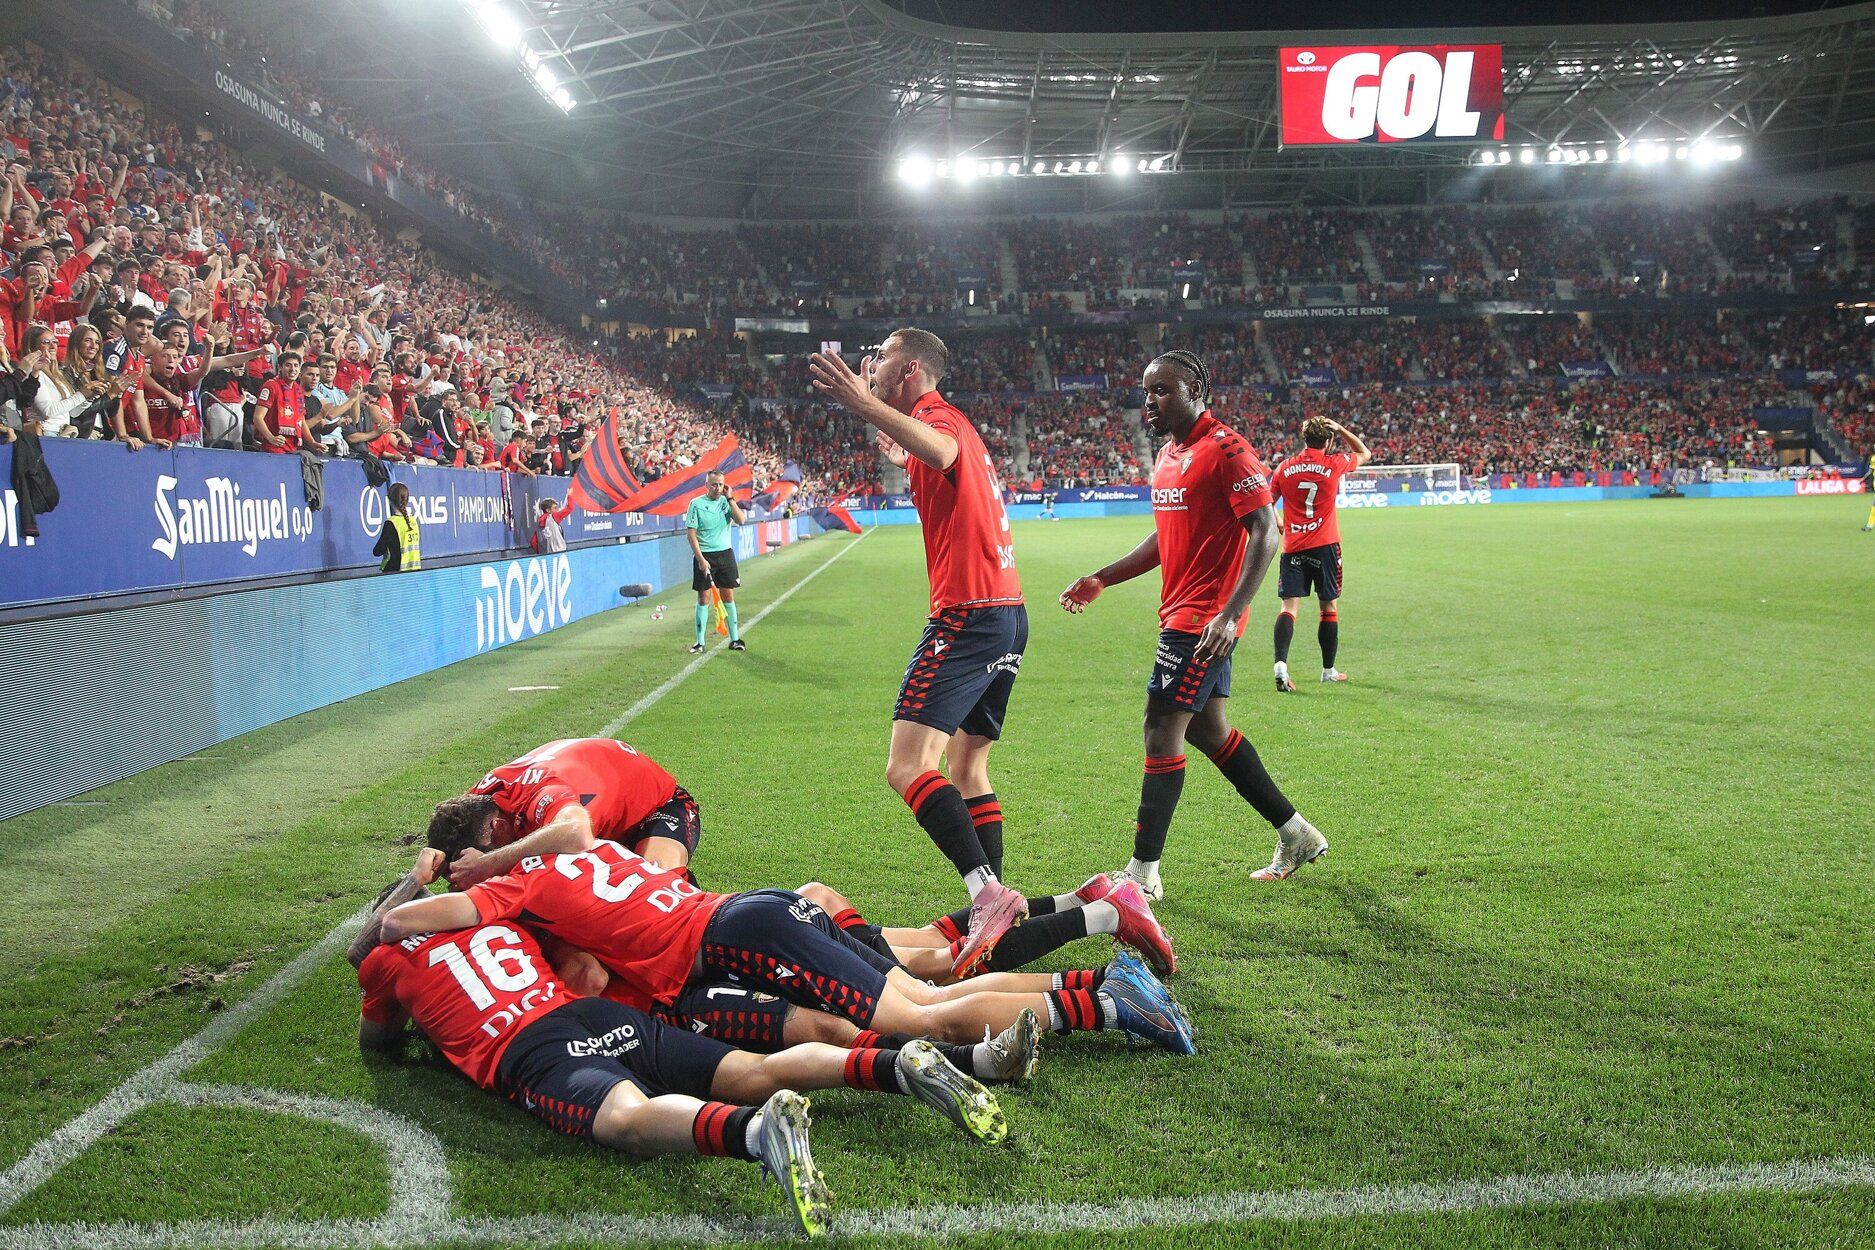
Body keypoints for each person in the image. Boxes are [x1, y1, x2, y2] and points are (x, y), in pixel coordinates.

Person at [350, 874, 1006, 1238]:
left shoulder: (382, 959)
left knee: (627, 1121)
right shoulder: (500, 922)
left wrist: (421, 1018)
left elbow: (377, 1045)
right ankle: (900, 1063)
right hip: (599, 1014)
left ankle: (754, 1133)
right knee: (752, 1069)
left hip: (532, 1047)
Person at [394, 835, 1195, 1056]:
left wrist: (411, 892)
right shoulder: (584, 850)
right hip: (755, 912)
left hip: (743, 934)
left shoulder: (516, 887)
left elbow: (406, 926)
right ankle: (1105, 975)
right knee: (930, 985)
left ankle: (1109, 1001)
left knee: (925, 1007)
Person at [807, 331, 1037, 978]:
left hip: (966, 616)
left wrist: (864, 404)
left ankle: (985, 894)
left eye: (878, 356)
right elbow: (929, 456)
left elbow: (939, 449)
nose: (868, 363)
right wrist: (882, 422)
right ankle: (987, 917)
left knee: (906, 766)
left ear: (909, 367)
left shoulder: (940, 421)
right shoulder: (936, 422)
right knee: (969, 769)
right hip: (1007, 615)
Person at [1059, 350, 1330, 895]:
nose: (1150, 401)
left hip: (1202, 620)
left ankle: (1142, 876)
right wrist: (1103, 578)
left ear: (1196, 390)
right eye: (1146, 391)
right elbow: (1166, 537)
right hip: (1184, 615)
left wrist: (1230, 614)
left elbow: (1266, 530)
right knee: (1209, 730)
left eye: (1162, 390)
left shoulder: (1227, 449)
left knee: (1161, 729)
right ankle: (1296, 832)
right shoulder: (1168, 455)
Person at [429, 737, 705, 890]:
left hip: (658, 807)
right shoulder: (476, 804)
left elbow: (576, 835)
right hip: (598, 817)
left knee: (656, 884)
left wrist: (487, 865)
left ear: (498, 828)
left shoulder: (541, 793)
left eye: (485, 850)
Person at [1271, 416, 1370, 690]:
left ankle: (1281, 665)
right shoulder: (1334, 463)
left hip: (1293, 547)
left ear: (1304, 439)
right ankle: (1328, 670)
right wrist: (1341, 429)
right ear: (1327, 440)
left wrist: (1280, 522)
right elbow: (1364, 453)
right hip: (1325, 546)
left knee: (1288, 607)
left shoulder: (1284, 468)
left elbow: (1266, 502)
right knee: (1328, 606)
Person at [684, 470, 746, 653]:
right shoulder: (696, 504)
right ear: (706, 485)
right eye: (714, 484)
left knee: (728, 596)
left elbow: (741, 520)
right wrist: (700, 559)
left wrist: (730, 498)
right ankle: (700, 642)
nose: (717, 488)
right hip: (705, 556)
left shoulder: (726, 502)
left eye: (720, 484)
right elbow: (691, 535)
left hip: (725, 555)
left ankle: (735, 639)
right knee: (703, 598)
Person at [373, 482, 421, 572]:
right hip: (414, 572)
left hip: (395, 574)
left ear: (389, 500)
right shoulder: (413, 521)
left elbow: (378, 551)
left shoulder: (391, 523)